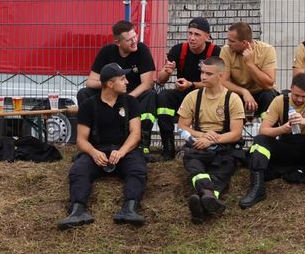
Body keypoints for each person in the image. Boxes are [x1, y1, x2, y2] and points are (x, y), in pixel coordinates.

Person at [57, 62, 148, 228]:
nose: (127, 82)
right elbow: (81, 140)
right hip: (97, 151)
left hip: (125, 151)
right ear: (110, 84)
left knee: (137, 170)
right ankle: (78, 211)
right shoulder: (88, 105)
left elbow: (135, 134)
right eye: (122, 79)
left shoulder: (130, 102)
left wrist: (121, 151)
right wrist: (94, 153)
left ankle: (129, 209)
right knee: (78, 171)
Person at [242, 73, 305, 208]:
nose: (300, 99)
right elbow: (263, 130)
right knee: (260, 140)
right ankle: (257, 187)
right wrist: (282, 129)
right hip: (287, 146)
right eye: (296, 95)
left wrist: (303, 120)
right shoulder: (280, 101)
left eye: (304, 96)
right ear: (291, 88)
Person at [178, 53, 247, 221]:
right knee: (194, 164)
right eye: (202, 72)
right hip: (198, 145)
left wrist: (211, 140)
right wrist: (202, 136)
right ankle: (209, 198)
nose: (203, 77)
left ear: (221, 76)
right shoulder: (193, 97)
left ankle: (202, 203)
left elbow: (236, 133)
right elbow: (182, 126)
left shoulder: (233, 99)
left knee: (224, 167)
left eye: (208, 74)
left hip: (224, 146)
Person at [83, 20, 159, 150]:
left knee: (150, 95)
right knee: (84, 93)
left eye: (135, 36)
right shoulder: (106, 52)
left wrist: (128, 99)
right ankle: (92, 140)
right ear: (118, 42)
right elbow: (90, 82)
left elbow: (147, 83)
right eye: (129, 40)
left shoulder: (142, 50)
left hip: (134, 96)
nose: (134, 41)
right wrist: (110, 85)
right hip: (110, 95)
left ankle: (143, 143)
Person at [153, 17, 221, 158]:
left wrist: (192, 84)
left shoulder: (215, 52)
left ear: (207, 37)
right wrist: (167, 72)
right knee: (164, 96)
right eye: (190, 33)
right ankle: (168, 147)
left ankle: (206, 147)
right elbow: (160, 80)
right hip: (184, 95)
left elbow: (218, 83)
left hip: (207, 96)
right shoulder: (179, 50)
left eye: (197, 34)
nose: (192, 38)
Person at [221, 22, 280, 116]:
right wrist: (244, 92)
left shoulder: (267, 50)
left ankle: (265, 123)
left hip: (260, 92)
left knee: (269, 95)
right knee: (224, 96)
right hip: (237, 93)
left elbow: (268, 85)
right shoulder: (226, 50)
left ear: (244, 43)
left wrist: (250, 64)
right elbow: (223, 81)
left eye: (232, 41)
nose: (228, 44)